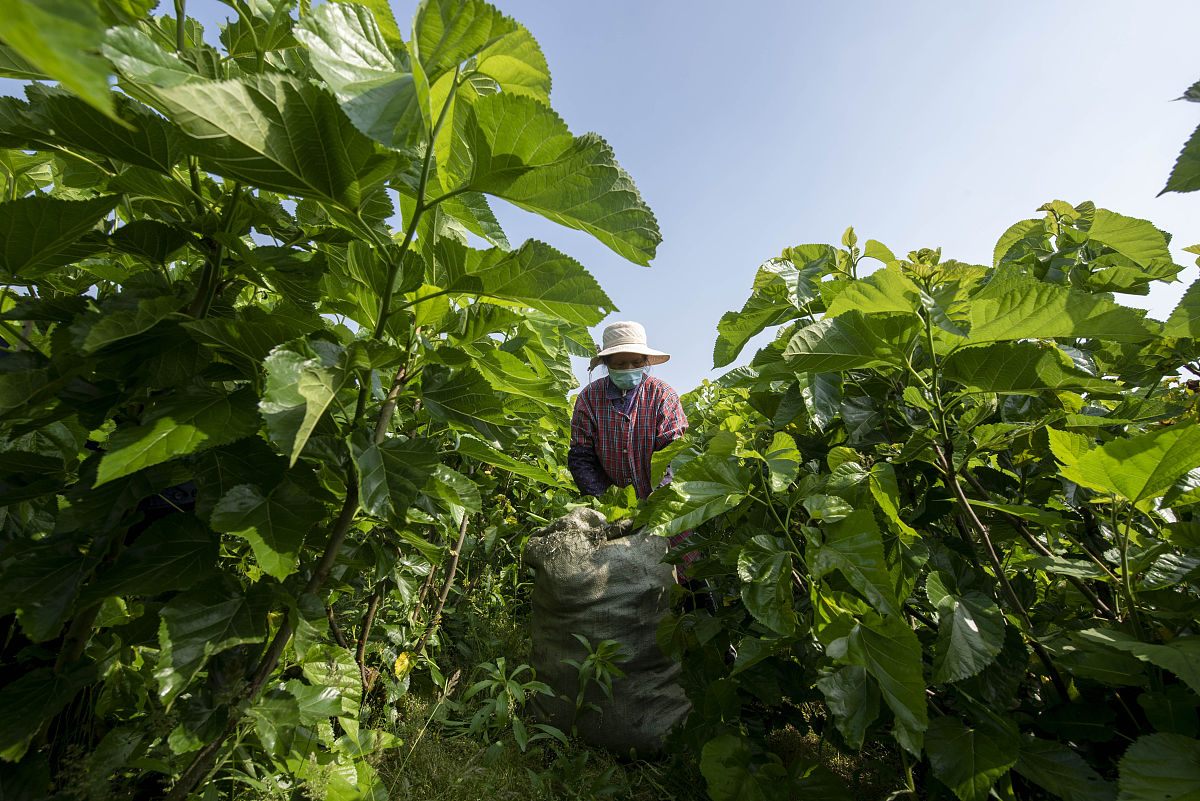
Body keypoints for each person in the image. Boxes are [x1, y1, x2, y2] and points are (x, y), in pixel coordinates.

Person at [567, 321, 699, 580]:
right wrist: (607, 502)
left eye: (636, 363)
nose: (629, 369)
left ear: (645, 362)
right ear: (607, 364)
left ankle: (693, 604)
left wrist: (655, 504)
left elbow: (674, 454)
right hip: (613, 506)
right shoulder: (589, 399)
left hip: (664, 504)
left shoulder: (662, 396)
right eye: (620, 364)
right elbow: (582, 457)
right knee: (618, 577)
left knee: (679, 572)